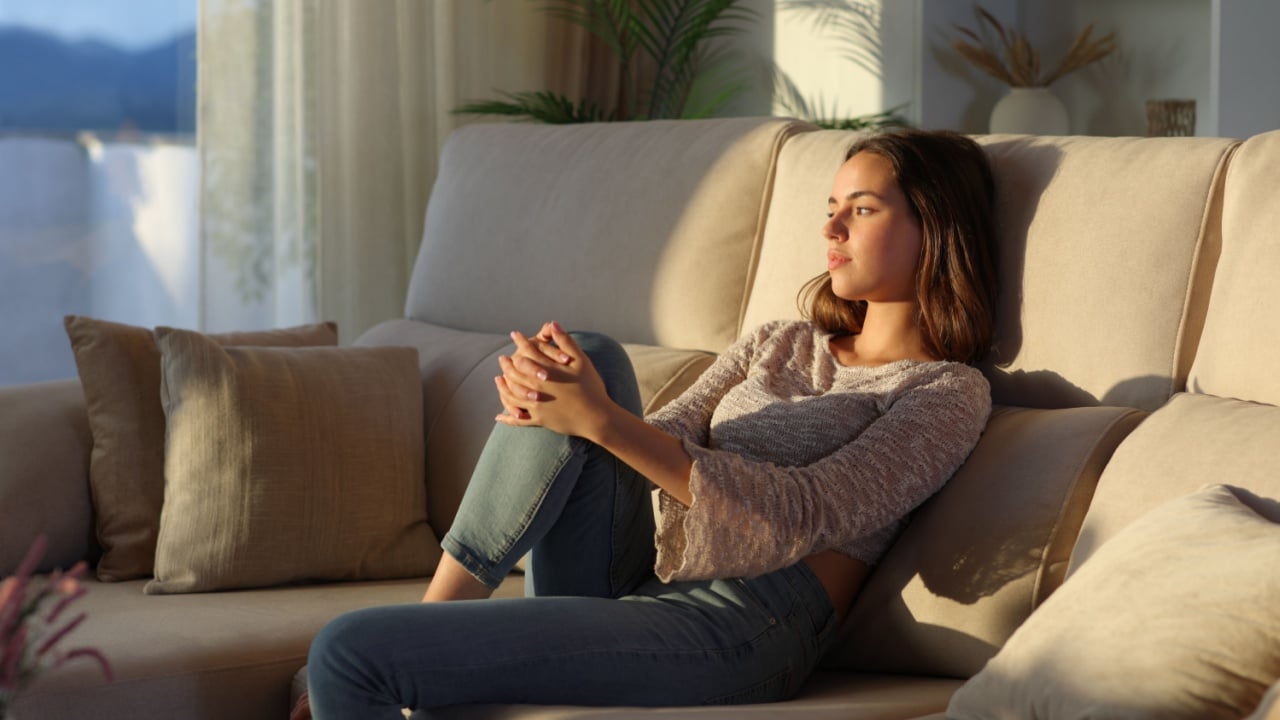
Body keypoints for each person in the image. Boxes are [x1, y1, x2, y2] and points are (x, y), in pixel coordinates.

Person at [298, 128, 999, 719]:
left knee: (348, 650)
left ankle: (421, 636)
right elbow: (656, 435)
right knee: (585, 355)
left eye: (863, 209)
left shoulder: (944, 392)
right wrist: (580, 411)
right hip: (642, 574)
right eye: (830, 206)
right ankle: (437, 614)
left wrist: (601, 420)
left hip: (747, 622)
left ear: (933, 230)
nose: (830, 228)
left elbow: (805, 514)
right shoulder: (780, 342)